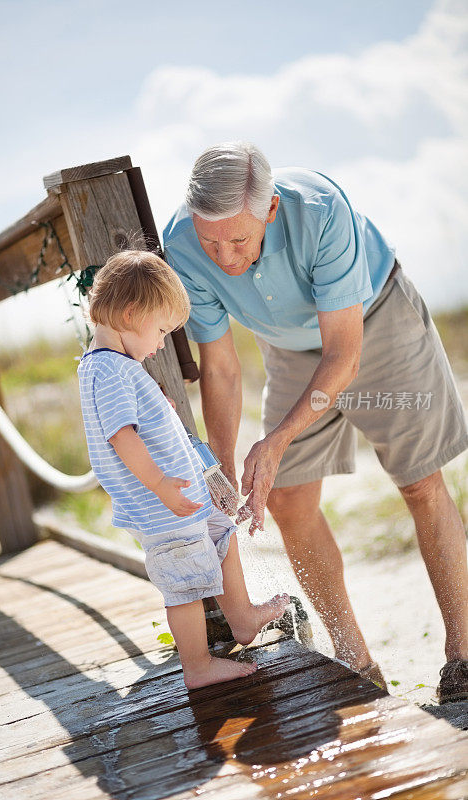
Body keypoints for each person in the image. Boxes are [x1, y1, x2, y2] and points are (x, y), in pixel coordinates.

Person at [163, 141, 468, 702]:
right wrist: (221, 467)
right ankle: (356, 661)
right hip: (288, 347)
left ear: (271, 210)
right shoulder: (182, 245)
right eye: (212, 242)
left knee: (421, 483)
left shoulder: (322, 209)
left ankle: (464, 656)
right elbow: (222, 368)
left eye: (239, 240)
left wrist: (277, 439)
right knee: (286, 498)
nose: (225, 257)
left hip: (372, 323)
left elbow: (344, 355)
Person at [77, 249, 290, 689]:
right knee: (186, 586)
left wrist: (160, 408)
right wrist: (159, 485)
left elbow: (137, 422)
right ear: (131, 313)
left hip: (183, 501)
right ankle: (197, 665)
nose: (159, 345)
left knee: (222, 535)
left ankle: (243, 619)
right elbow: (121, 436)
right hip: (164, 507)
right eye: (160, 331)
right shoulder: (110, 370)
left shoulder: (115, 365)